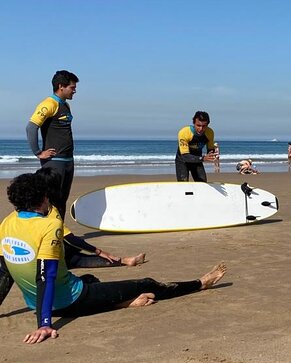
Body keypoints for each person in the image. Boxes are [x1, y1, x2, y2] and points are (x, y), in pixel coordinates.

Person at [0, 173, 227, 344]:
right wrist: (44, 325)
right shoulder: (48, 224)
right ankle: (200, 284)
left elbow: (3, 270)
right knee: (147, 283)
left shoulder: (8, 222)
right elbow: (45, 275)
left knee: (89, 278)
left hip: (37, 304)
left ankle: (123, 302)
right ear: (44, 197)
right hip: (66, 302)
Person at [26, 70, 79, 219]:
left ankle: (58, 234)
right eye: (72, 87)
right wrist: (38, 152)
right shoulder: (49, 104)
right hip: (55, 162)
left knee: (62, 201)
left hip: (68, 160)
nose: (74, 91)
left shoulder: (66, 106)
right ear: (61, 86)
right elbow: (31, 127)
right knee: (51, 201)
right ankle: (48, 235)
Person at [175, 111, 219, 182]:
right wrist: (203, 158)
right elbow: (185, 156)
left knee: (203, 184)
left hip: (197, 161)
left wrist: (212, 155)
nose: (201, 129)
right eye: (198, 125)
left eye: (204, 126)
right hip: (182, 161)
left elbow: (210, 149)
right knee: (183, 185)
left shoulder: (210, 133)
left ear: (208, 124)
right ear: (193, 123)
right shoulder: (184, 132)